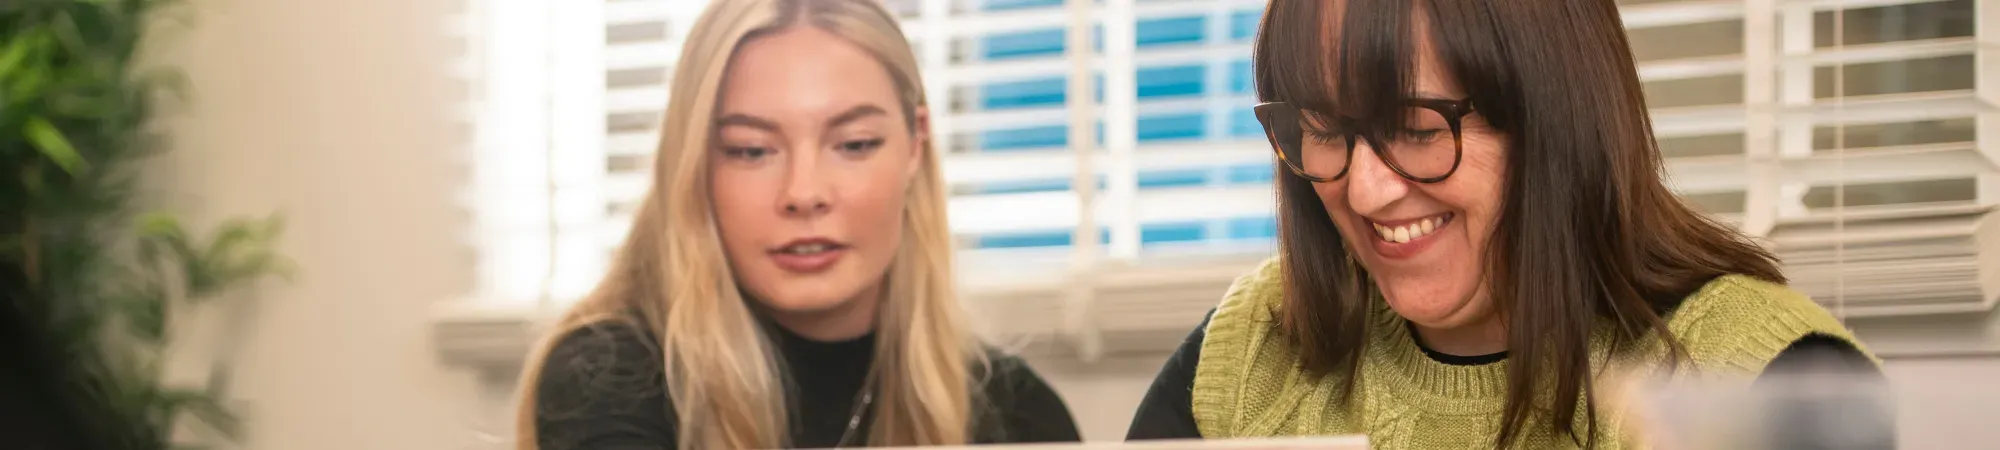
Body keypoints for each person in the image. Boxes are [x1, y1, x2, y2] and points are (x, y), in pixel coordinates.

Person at [1125, 0, 1894, 448]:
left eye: (1415, 126)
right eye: (1324, 128)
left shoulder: (1761, 381)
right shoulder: (1249, 347)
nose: (1363, 191)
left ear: (1554, 122)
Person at [512, 0, 1082, 448]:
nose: (803, 193)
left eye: (854, 144)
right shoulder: (610, 380)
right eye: (751, 150)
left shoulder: (1016, 413)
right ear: (694, 165)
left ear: (915, 146)